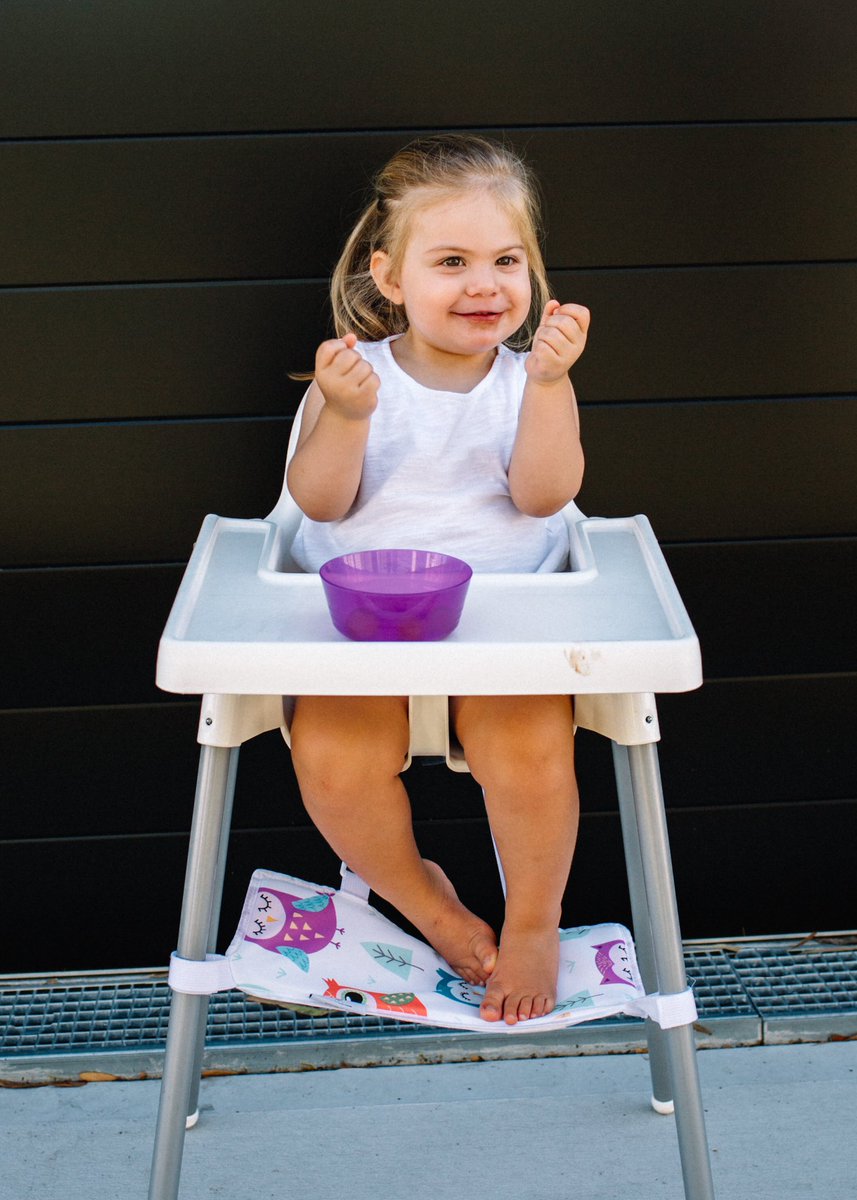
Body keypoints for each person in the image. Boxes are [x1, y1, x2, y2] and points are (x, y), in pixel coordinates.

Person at [286, 134, 588, 1025]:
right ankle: (428, 905)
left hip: (503, 626)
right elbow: (317, 503)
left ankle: (532, 921)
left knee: (532, 755)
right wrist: (345, 416)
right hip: (360, 627)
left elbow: (544, 498)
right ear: (389, 277)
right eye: (451, 262)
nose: (483, 284)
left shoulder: (530, 383)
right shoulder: (353, 381)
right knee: (332, 762)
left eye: (506, 261)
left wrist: (549, 387)